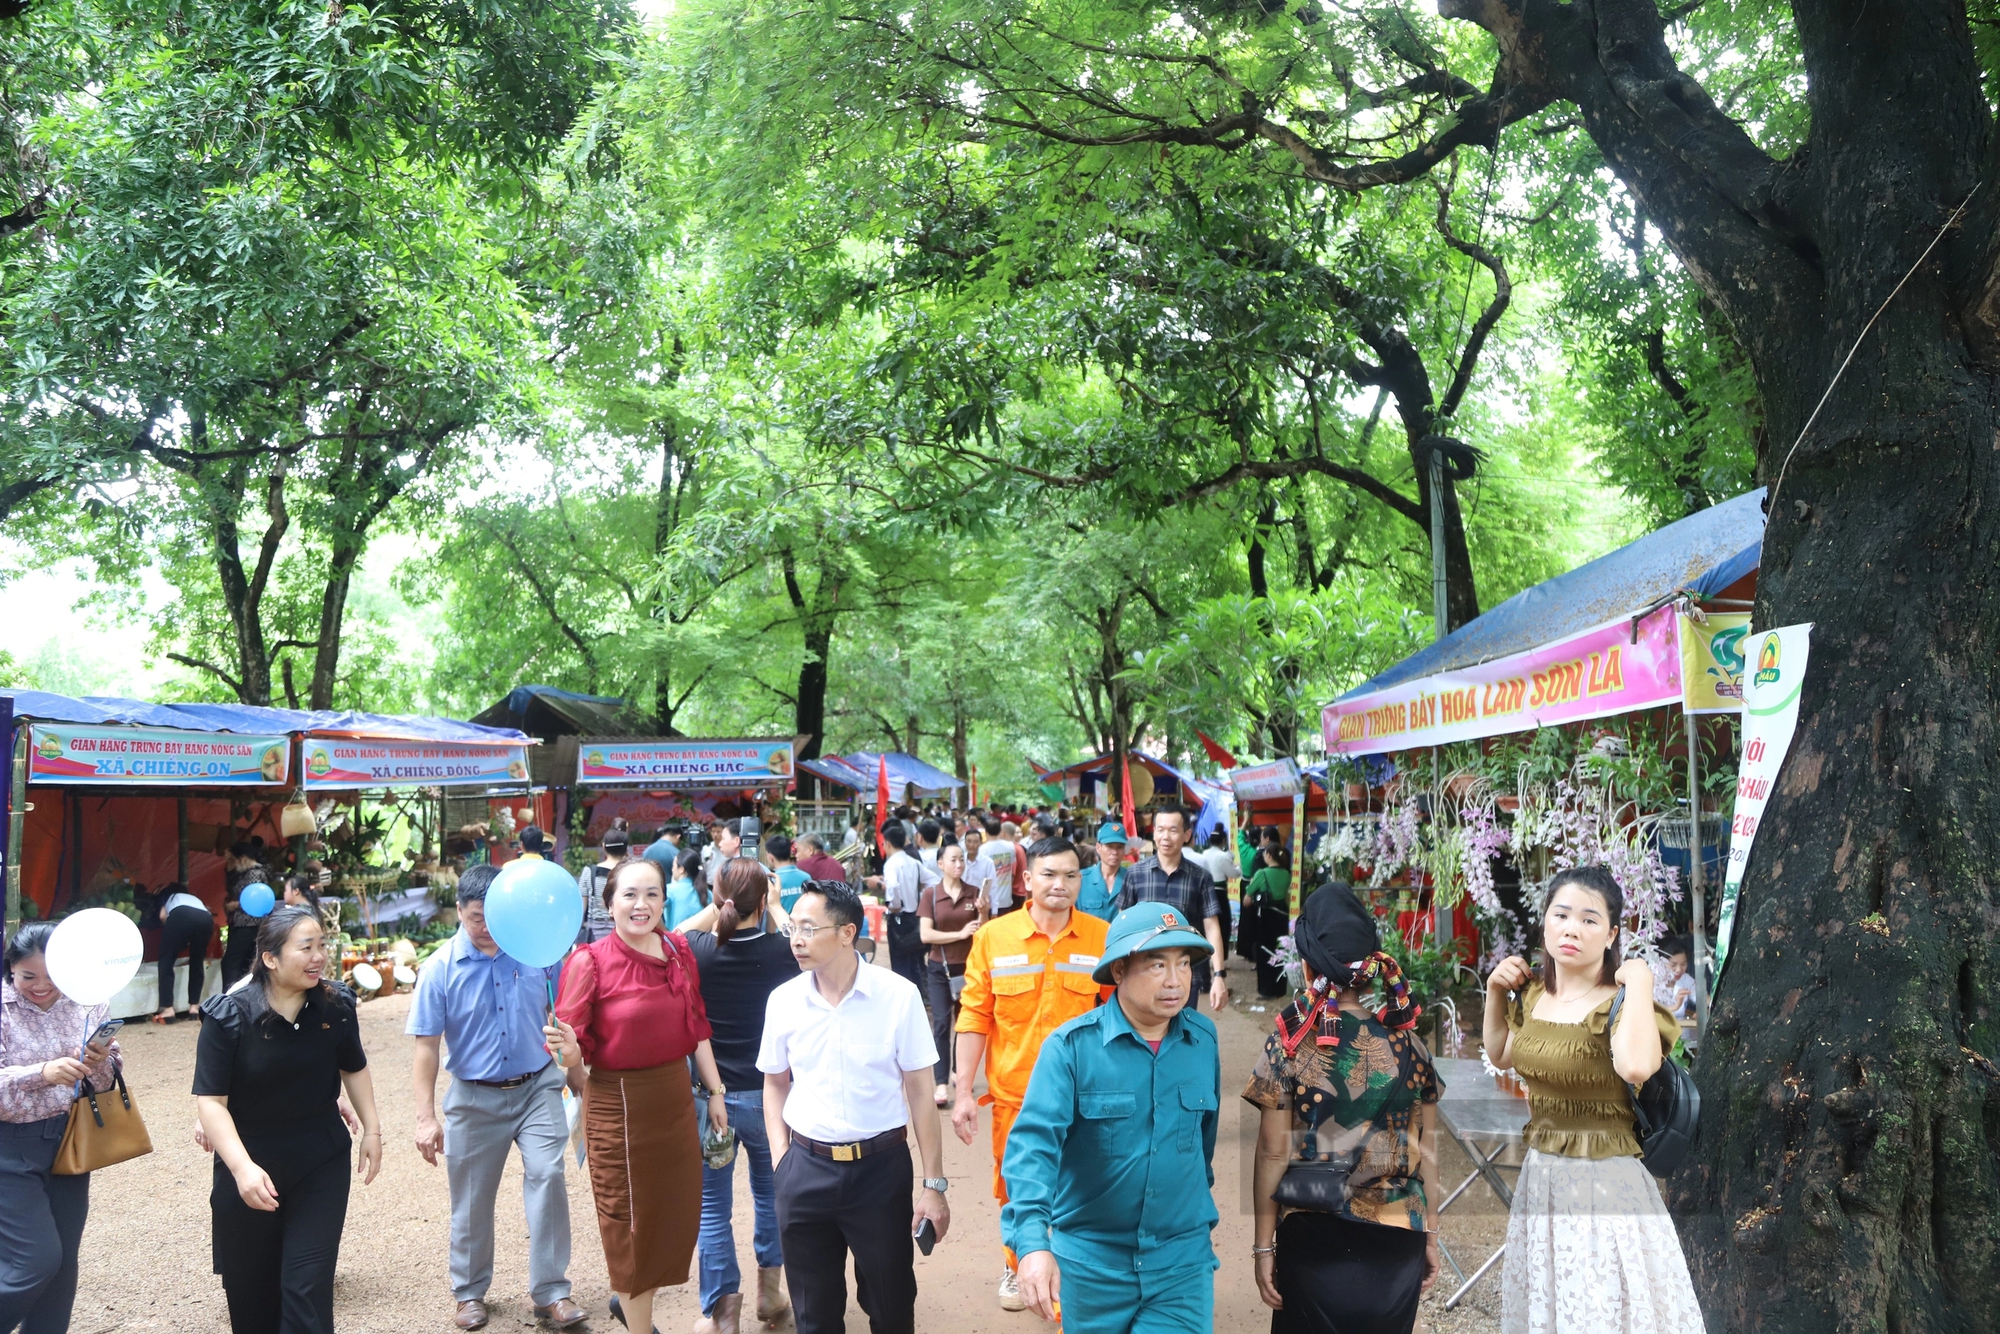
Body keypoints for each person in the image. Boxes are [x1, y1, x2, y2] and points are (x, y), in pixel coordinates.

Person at [1482, 865, 1701, 1334]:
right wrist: (1494, 992)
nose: (1571, 929)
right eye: (1561, 915)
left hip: (1606, 1182)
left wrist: (1640, 982)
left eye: (1588, 919)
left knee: (1599, 1312)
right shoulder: (1533, 995)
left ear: (1611, 933)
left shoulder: (1623, 1001)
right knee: (1552, 1308)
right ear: (1545, 923)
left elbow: (1637, 1067)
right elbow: (1501, 1053)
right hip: (1542, 1178)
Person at [1000, 901, 1221, 1334]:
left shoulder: (1203, 1041)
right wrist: (1031, 1244)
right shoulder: (1071, 1048)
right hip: (1091, 1266)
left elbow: (1202, 1145)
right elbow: (1033, 1149)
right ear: (1118, 971)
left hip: (1180, 1262)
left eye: (1183, 965)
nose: (1175, 981)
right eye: (1157, 965)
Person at [1245, 883, 1442, 1333]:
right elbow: (1427, 1153)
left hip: (1315, 1235)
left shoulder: (1291, 1044)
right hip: (1398, 1239)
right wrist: (1430, 1235)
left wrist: (1263, 1249)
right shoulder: (1412, 1047)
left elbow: (1273, 1153)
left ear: (1309, 964)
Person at [758, 880, 950, 1334]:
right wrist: (781, 1160)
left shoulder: (898, 996)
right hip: (804, 1169)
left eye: (808, 928)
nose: (797, 939)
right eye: (793, 929)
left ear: (847, 933)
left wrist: (934, 1184)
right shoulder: (784, 1001)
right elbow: (774, 1084)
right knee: (814, 1312)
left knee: (891, 1303)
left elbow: (922, 1093)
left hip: (879, 1172)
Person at [549, 857, 727, 1334]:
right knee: (628, 1228)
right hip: (618, 1109)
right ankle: (640, 1327)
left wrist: (715, 1090)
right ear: (609, 904)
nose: (641, 904)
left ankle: (633, 1312)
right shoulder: (588, 961)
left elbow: (697, 1028)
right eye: (629, 894)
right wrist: (568, 1054)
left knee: (671, 1217)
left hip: (673, 1102)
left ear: (665, 900)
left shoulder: (679, 952)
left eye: (651, 893)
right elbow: (572, 1053)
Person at [407, 865, 584, 1332]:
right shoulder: (440, 968)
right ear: (460, 913)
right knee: (470, 1198)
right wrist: (425, 1117)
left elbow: (564, 1010)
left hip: (538, 1087)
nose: (485, 927)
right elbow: (426, 1047)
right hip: (472, 1098)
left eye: (493, 917)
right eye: (474, 917)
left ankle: (552, 1292)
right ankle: (468, 1293)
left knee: (548, 1174)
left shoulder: (538, 952)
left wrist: (573, 1059)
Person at [195, 905, 384, 1334]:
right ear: (270, 958)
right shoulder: (229, 1017)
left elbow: (353, 1066)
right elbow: (211, 1103)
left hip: (321, 1161)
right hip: (250, 1166)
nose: (319, 956)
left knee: (306, 1286)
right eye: (306, 947)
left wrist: (372, 1129)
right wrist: (242, 1170)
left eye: (322, 945)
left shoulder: (336, 1006)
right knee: (252, 1297)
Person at [952, 834, 1112, 1312]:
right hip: (1015, 1098)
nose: (1060, 884)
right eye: (1049, 873)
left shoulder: (1103, 938)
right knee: (1016, 1184)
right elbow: (974, 1016)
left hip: (1088, 1098)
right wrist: (963, 1091)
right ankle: (1016, 1261)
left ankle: (1073, 1267)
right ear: (1026, 880)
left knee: (1084, 1183)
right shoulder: (992, 939)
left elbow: (1119, 1017)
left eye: (1070, 875)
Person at [683, 859, 800, 1334]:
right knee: (772, 1197)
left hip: (711, 1098)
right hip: (772, 1099)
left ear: (718, 896)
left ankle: (722, 1314)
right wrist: (776, 904)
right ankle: (770, 1296)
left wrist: (718, 906)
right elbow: (806, 938)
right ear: (763, 899)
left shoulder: (698, 949)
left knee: (713, 1208)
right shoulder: (783, 949)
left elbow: (671, 932)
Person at [0, 923, 120, 1334]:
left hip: (71, 1140)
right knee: (34, 1259)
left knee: (64, 1261)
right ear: (10, 969)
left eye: (52, 976)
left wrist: (100, 1059)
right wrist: (42, 1073)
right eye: (28, 976)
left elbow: (105, 1083)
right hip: (8, 1148)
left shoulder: (88, 1001)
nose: (41, 986)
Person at [1116, 804, 1230, 1012]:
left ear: (1186, 835)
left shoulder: (1200, 878)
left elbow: (1212, 927)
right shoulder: (1135, 875)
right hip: (1142, 972)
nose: (1165, 837)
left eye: (1173, 830)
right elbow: (1122, 924)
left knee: (1182, 1035)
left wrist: (1219, 975)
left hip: (1186, 974)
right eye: (1160, 830)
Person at [918, 843, 984, 1108]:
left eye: (962, 860)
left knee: (964, 1024)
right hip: (939, 968)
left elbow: (983, 932)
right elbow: (926, 935)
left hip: (968, 968)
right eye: (953, 859)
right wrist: (958, 934)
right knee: (942, 1023)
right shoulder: (931, 895)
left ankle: (959, 1072)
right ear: (941, 864)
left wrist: (985, 910)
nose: (959, 864)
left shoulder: (974, 893)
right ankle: (942, 1083)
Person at [867, 821, 938, 994]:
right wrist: (920, 895)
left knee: (900, 964)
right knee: (913, 962)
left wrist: (894, 905)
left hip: (899, 919)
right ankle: (918, 996)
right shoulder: (912, 862)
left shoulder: (891, 864)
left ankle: (904, 998)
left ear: (888, 843)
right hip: (914, 917)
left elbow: (893, 886)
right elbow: (934, 880)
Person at [154, 881, 215, 1022]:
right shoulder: (194, 898)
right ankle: (194, 1007)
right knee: (197, 961)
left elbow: (163, 916)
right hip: (206, 918)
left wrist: (171, 933)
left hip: (180, 915)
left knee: (166, 960)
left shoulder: (170, 896)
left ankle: (168, 1009)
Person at [1240, 844, 1295, 999]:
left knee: (1265, 952)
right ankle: (1280, 988)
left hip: (1265, 918)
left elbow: (1248, 895)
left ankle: (1266, 989)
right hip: (1282, 916)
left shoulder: (1261, 873)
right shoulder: (1287, 874)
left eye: (1265, 853)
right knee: (1280, 951)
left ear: (1269, 856)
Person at [576, 823, 628, 944]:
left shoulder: (589, 871)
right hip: (624, 932)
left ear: (604, 846)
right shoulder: (632, 872)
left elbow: (581, 908)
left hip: (594, 933)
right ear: (626, 849)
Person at [1075, 822, 1126, 922]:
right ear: (1098, 848)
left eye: (1119, 847)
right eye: (1110, 846)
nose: (1115, 852)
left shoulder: (1132, 879)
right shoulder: (1081, 879)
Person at [977, 817, 1019, 917]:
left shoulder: (982, 850)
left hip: (989, 899)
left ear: (986, 832)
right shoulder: (1010, 847)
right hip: (1006, 898)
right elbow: (1012, 864)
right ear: (1000, 831)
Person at [766, 835, 812, 912]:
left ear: (771, 857)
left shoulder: (771, 881)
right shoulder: (806, 877)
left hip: (780, 923)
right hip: (802, 924)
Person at [1658, 936, 1699, 1019]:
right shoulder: (1649, 980)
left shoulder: (1685, 979)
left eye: (1683, 964)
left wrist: (1704, 1010)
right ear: (1660, 962)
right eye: (1673, 965)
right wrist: (1676, 1006)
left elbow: (1703, 999)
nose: (1679, 970)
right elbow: (1647, 1013)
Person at [668, 847, 709, 929]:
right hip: (702, 940)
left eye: (673, 865)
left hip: (676, 940)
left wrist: (665, 932)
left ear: (681, 869)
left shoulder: (669, 890)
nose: (672, 869)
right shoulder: (707, 893)